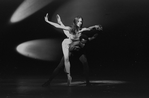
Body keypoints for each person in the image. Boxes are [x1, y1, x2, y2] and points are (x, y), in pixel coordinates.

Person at [42, 13, 102, 86]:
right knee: (60, 66)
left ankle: (87, 82)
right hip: (70, 50)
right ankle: (49, 81)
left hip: (79, 51)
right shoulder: (70, 30)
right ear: (75, 22)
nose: (80, 23)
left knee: (85, 63)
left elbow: (89, 29)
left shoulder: (81, 31)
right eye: (79, 21)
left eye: (81, 21)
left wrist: (96, 27)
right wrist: (47, 21)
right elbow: (58, 26)